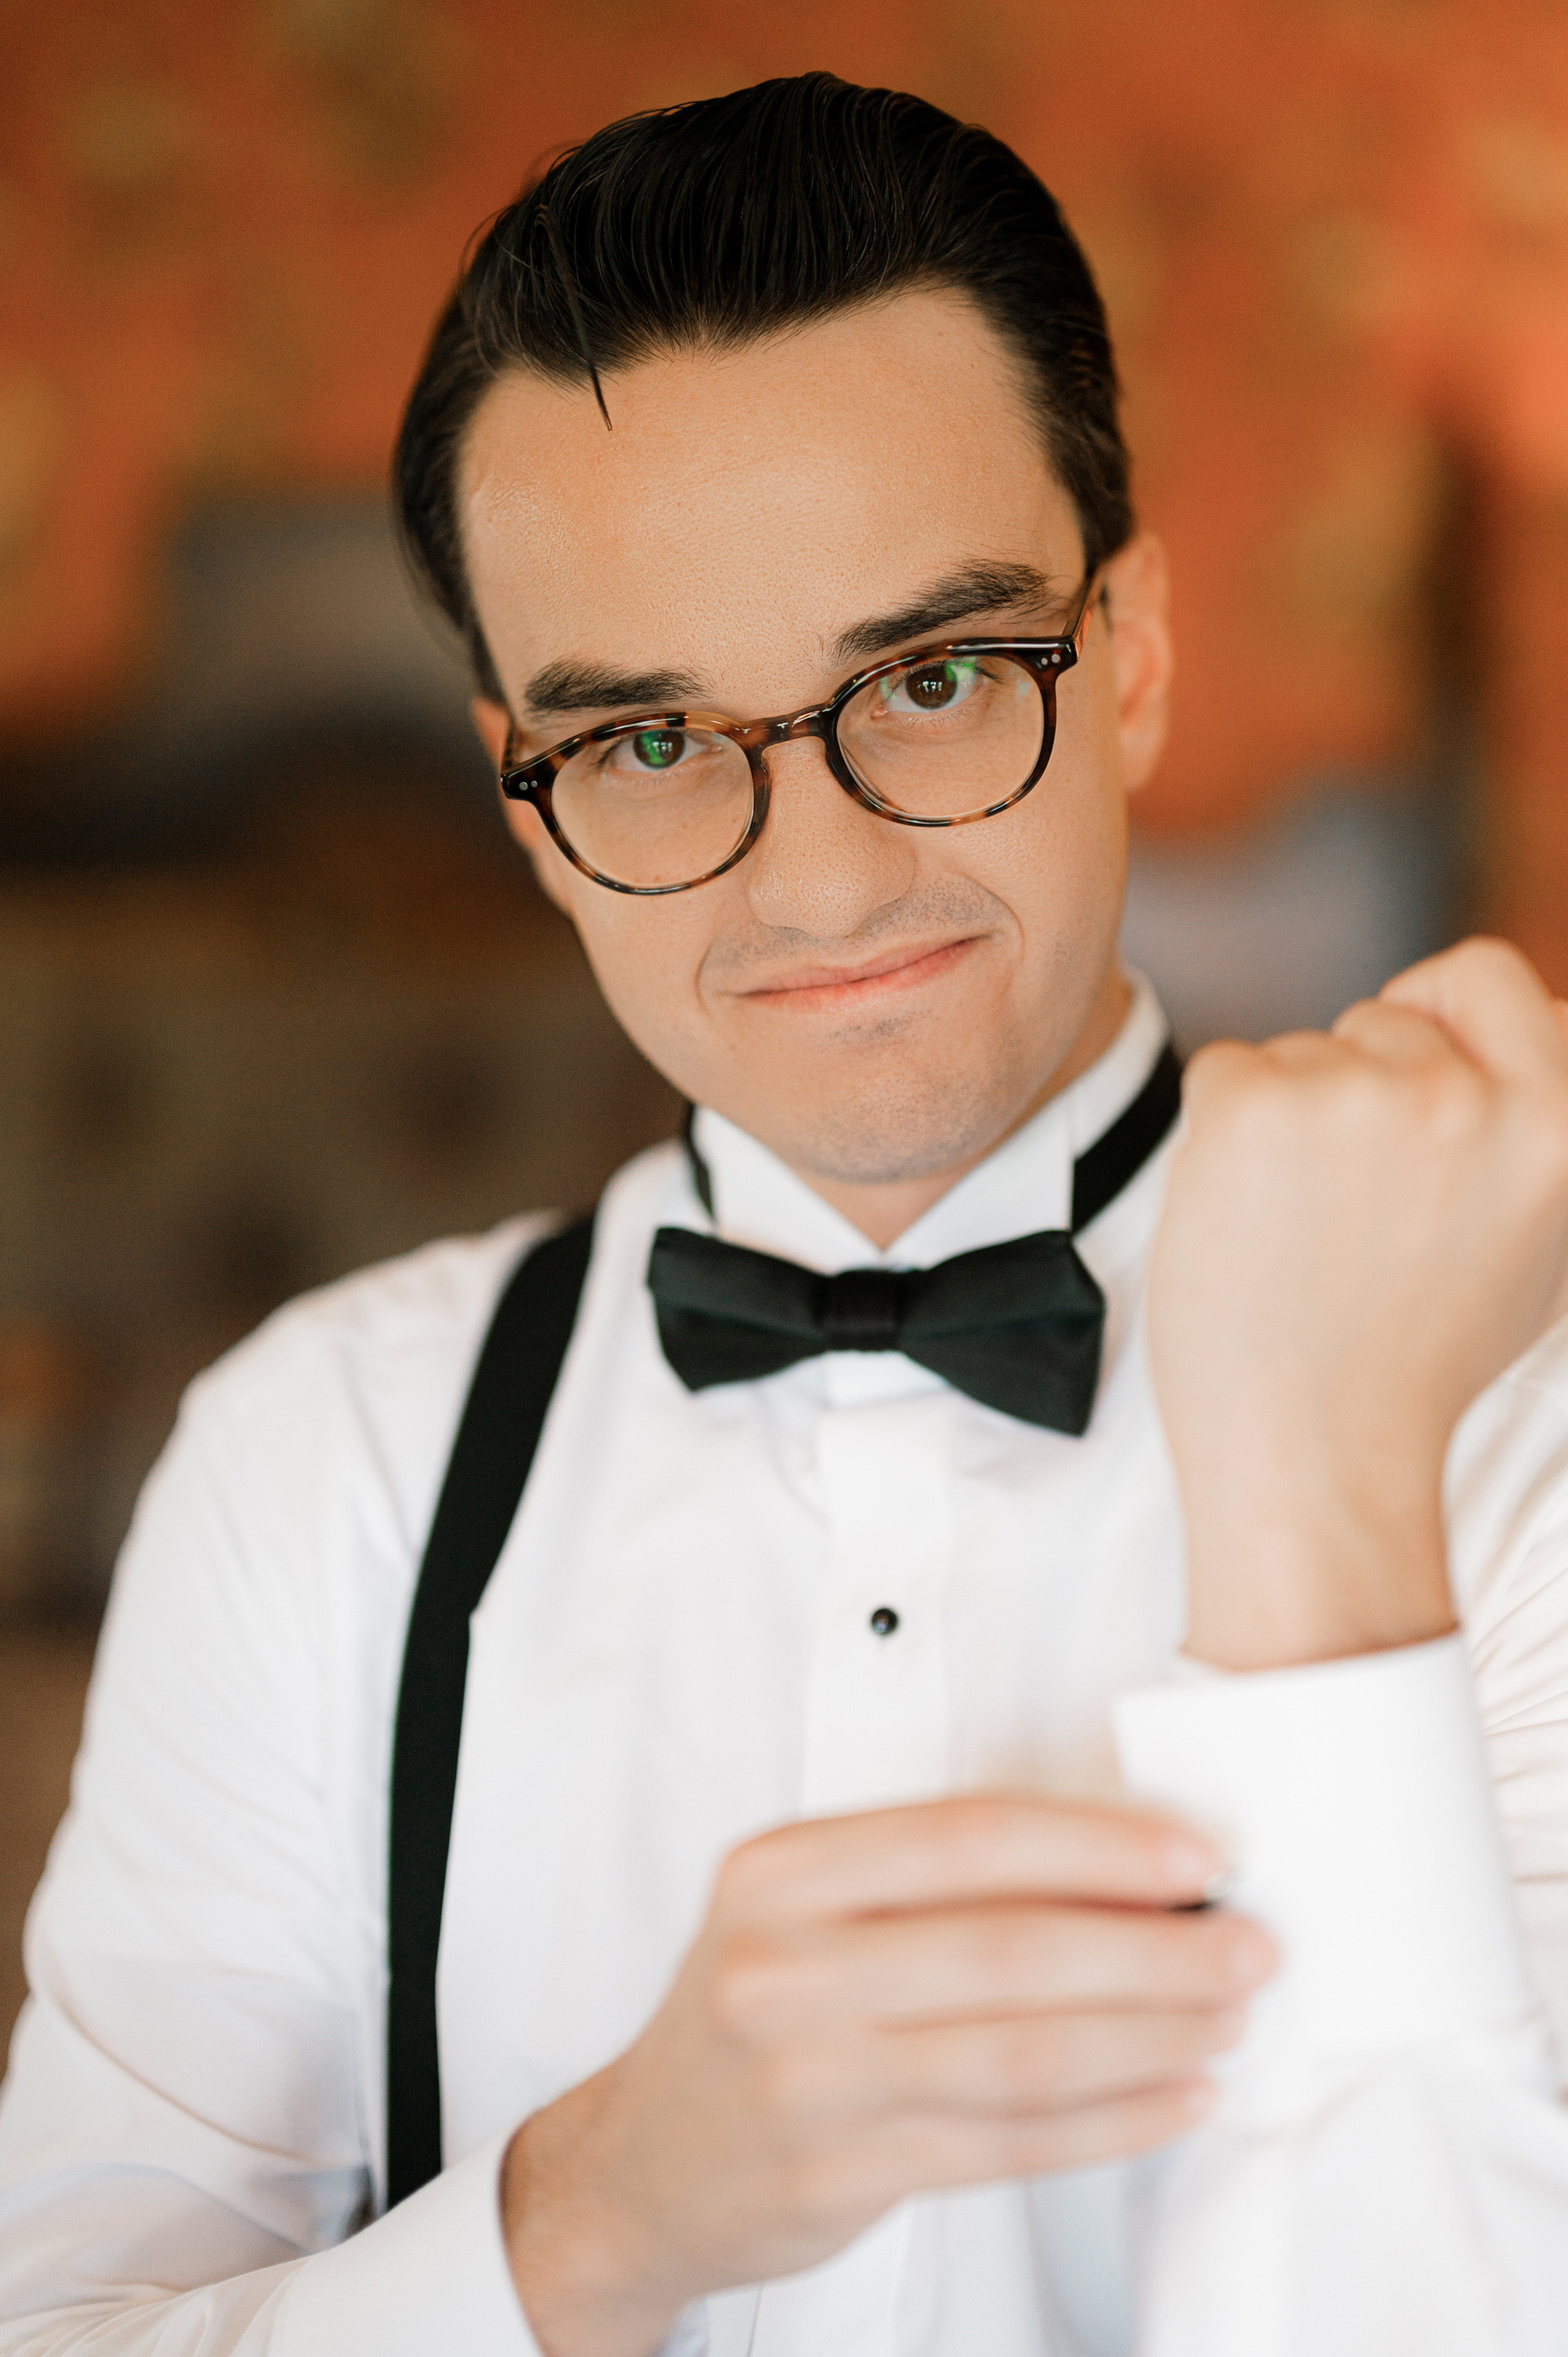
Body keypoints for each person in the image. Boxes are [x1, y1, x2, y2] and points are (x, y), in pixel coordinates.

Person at [3, 70, 1568, 2357]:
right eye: (647, 744)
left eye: (929, 682)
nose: (818, 879)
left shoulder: (1527, 1416)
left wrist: (1328, 1535)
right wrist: (591, 2224)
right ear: (524, 810)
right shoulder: (316, 1465)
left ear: (1123, 655)